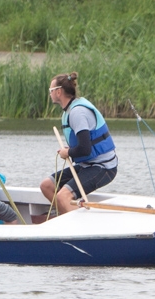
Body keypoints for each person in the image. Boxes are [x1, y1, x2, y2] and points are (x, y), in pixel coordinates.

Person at [38, 72, 118, 215]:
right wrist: (71, 149)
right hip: (85, 165)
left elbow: (85, 149)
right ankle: (66, 218)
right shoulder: (68, 111)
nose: (49, 94)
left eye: (51, 91)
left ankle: (77, 231)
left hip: (103, 167)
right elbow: (83, 145)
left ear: (59, 92)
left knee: (63, 196)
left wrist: (67, 152)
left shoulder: (77, 112)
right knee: (47, 186)